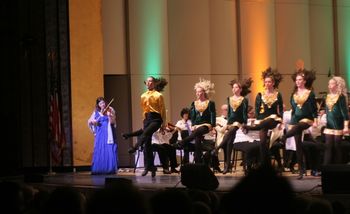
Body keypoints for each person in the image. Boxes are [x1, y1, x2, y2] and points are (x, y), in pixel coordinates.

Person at [242, 68, 283, 167]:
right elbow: (257, 110)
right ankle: (266, 164)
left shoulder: (278, 94)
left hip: (274, 119)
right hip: (262, 122)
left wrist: (282, 121)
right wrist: (258, 120)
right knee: (263, 142)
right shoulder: (260, 95)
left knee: (269, 119)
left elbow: (280, 109)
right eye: (266, 82)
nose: (267, 83)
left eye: (269, 82)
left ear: (273, 83)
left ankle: (250, 128)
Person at [281, 68, 317, 179]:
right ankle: (302, 170)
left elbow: (313, 108)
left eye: (300, 79)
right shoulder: (294, 94)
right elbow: (294, 109)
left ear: (304, 81)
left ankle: (286, 136)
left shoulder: (310, 93)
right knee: (298, 146)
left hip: (307, 119)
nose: (298, 81)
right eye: (296, 80)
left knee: (300, 126)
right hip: (296, 121)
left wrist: (315, 120)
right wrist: (291, 121)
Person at [212, 78, 253, 174]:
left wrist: (245, 124)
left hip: (239, 122)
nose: (234, 89)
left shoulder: (244, 100)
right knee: (230, 141)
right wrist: (227, 124)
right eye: (233, 87)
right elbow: (230, 114)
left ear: (240, 89)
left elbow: (244, 113)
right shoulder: (229, 99)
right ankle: (227, 166)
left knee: (233, 129)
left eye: (236, 87)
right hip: (231, 122)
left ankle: (217, 148)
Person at [174, 79, 216, 164]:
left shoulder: (210, 103)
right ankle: (198, 161)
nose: (198, 93)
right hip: (197, 126)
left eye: (200, 91)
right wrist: (193, 125)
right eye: (197, 92)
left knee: (199, 131)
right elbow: (192, 117)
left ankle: (183, 142)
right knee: (197, 137)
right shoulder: (194, 103)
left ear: (204, 92)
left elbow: (213, 115)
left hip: (206, 125)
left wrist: (212, 126)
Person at [138, 76, 167, 177]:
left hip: (156, 118)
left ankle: (136, 147)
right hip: (147, 119)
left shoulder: (159, 95)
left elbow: (162, 110)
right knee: (147, 143)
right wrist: (144, 121)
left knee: (146, 137)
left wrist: (163, 124)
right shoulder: (143, 96)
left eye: (151, 81)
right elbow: (144, 110)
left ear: (154, 83)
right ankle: (149, 166)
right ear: (146, 83)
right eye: (148, 81)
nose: (149, 83)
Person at [88, 97, 118, 175]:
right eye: (100, 103)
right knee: (100, 149)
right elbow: (90, 122)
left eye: (103, 102)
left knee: (109, 149)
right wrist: (93, 122)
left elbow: (113, 122)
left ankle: (109, 169)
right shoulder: (96, 112)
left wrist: (109, 116)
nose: (103, 104)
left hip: (108, 132)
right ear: (98, 104)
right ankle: (99, 169)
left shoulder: (110, 109)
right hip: (100, 133)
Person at [323, 76, 349, 164]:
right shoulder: (327, 96)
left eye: (331, 83)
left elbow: (344, 112)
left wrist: (346, 126)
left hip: (338, 125)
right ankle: (326, 168)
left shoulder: (341, 97)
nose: (329, 85)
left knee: (337, 147)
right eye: (328, 84)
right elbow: (327, 111)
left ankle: (337, 168)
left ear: (337, 85)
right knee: (328, 147)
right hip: (329, 125)